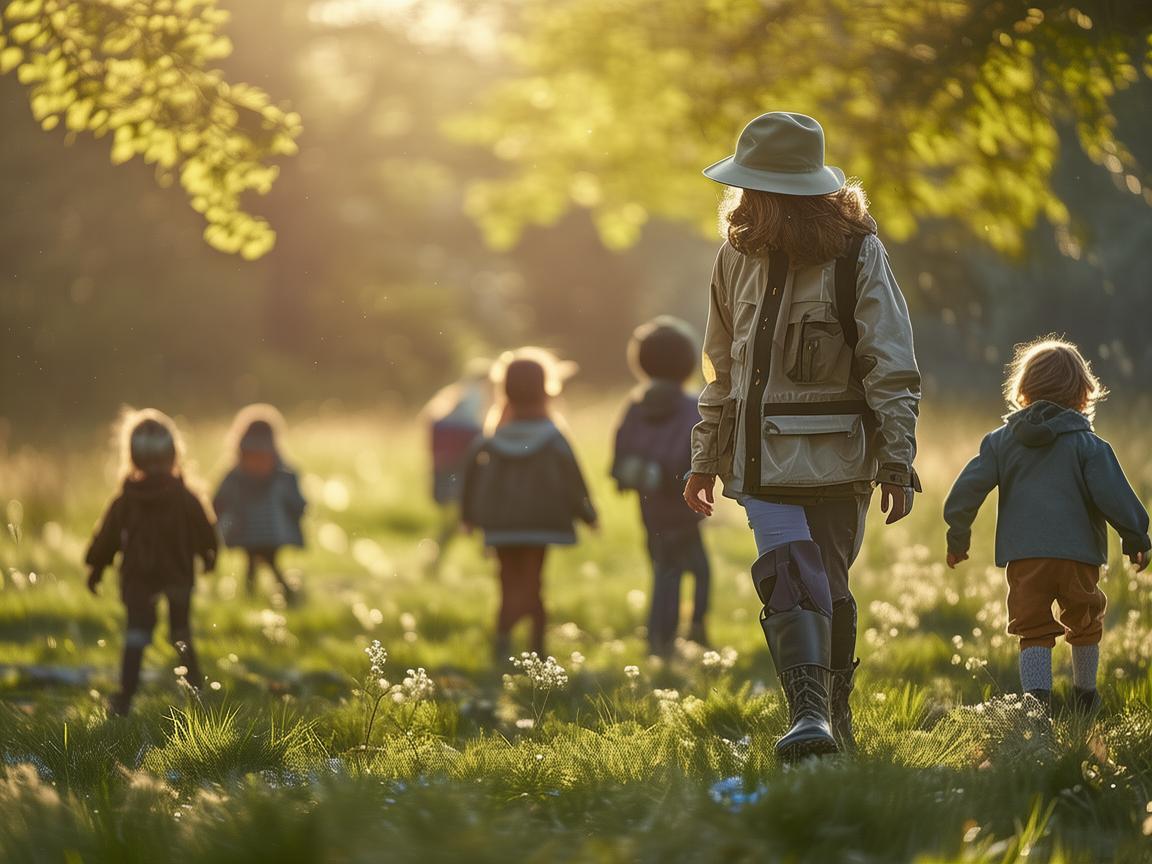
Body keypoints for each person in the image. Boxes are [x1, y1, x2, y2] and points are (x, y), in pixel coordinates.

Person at [684, 112, 921, 761]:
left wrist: (897, 460)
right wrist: (704, 457)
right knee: (791, 574)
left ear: (779, 195)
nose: (740, 202)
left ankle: (834, 718)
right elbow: (720, 369)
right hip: (761, 464)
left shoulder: (860, 256)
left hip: (842, 463)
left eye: (751, 189)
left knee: (832, 588)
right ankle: (808, 717)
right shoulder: (733, 258)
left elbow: (891, 366)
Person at [944, 337, 1149, 714]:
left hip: (1026, 558)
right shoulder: (1088, 446)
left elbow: (967, 489)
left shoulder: (1000, 442)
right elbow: (1113, 494)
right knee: (1084, 622)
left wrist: (958, 534)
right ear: (1082, 393)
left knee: (1033, 628)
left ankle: (1036, 705)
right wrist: (1135, 534)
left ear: (1023, 389)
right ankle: (1085, 695)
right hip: (1078, 556)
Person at [460, 348, 598, 660]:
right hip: (541, 522)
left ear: (504, 388)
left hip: (500, 523)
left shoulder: (491, 438)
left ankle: (502, 644)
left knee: (508, 582)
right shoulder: (553, 436)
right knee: (533, 583)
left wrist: (468, 516)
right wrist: (588, 515)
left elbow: (469, 476)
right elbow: (573, 478)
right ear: (547, 388)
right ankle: (536, 650)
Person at [85, 409, 218, 715]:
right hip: (178, 573)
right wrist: (208, 553)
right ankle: (195, 691)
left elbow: (107, 537)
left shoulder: (126, 500)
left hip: (138, 577)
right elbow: (205, 529)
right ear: (174, 454)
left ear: (132, 458)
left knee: (137, 633)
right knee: (180, 632)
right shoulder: (185, 497)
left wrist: (97, 566)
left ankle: (125, 696)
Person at [612, 317, 712, 655]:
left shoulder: (636, 406)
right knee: (699, 569)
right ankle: (687, 632)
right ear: (687, 364)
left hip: (650, 506)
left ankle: (661, 638)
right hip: (684, 506)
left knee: (664, 569)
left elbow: (621, 449)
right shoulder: (690, 406)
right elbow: (700, 448)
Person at [213, 405, 306, 602]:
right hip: (255, 530)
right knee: (258, 561)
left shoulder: (279, 478)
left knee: (264, 561)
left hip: (265, 531)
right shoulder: (239, 478)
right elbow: (220, 501)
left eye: (262, 457)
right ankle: (275, 594)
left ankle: (266, 594)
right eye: (252, 456)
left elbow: (297, 503)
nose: (257, 463)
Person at [422, 359, 494, 575]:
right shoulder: (480, 397)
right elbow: (482, 431)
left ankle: (434, 561)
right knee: (477, 513)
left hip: (446, 462)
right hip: (465, 462)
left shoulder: (452, 396)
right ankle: (493, 562)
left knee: (452, 518)